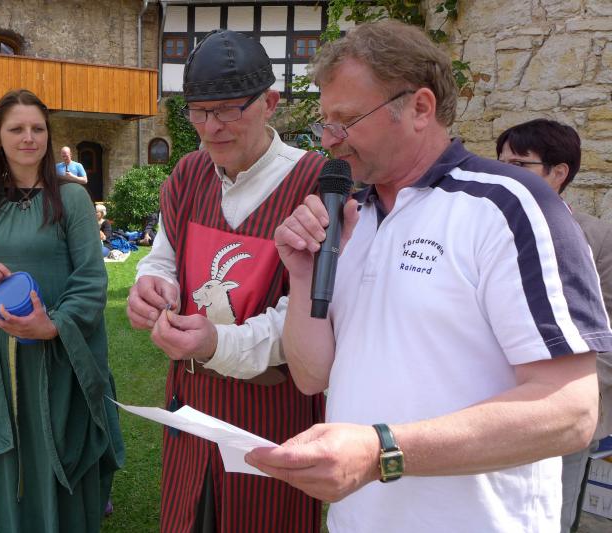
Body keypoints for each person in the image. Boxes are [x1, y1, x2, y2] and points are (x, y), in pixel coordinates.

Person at [244, 20, 612, 533]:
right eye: (326, 122)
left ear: (420, 107)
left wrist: (382, 452)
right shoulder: (352, 217)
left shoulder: (509, 207)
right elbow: (312, 376)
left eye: (347, 120)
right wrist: (303, 276)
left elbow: (569, 411)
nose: (329, 140)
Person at [126, 29, 327, 532]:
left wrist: (217, 343)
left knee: (262, 520)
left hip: (271, 410)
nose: (211, 127)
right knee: (189, 516)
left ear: (269, 103)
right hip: (191, 403)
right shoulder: (188, 174)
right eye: (198, 112)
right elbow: (163, 258)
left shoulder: (316, 184)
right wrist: (151, 286)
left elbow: (312, 316)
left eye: (228, 110)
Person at [0, 88, 123, 532]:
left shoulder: (72, 199)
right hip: (1, 359)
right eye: (17, 129)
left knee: (58, 442)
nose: (29, 138)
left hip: (61, 353)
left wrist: (53, 326)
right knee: (10, 449)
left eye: (37, 128)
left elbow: (91, 279)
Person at [496, 118, 612, 533]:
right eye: (500, 162)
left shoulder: (599, 239)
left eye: (519, 164)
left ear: (558, 172)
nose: (504, 172)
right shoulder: (485, 228)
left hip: (559, 415)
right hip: (484, 407)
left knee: (550, 521)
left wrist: (562, 396)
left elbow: (608, 338)